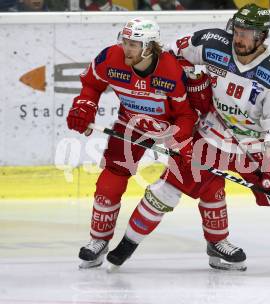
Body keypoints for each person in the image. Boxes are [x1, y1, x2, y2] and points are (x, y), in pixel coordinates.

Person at [108, 3, 270, 271]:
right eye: (237, 31)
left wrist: (269, 161)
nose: (239, 38)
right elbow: (169, 54)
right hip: (211, 133)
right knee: (167, 190)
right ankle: (127, 245)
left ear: (262, 37)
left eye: (247, 34)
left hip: (252, 145)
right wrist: (189, 77)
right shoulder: (212, 43)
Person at [66, 18, 198, 269]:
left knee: (191, 182)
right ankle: (98, 241)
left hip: (168, 127)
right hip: (131, 124)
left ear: (150, 47)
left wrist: (181, 140)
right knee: (109, 180)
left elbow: (186, 113)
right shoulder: (110, 57)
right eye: (125, 42)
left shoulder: (170, 70)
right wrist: (85, 106)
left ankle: (217, 241)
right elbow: (92, 85)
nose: (126, 49)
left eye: (134, 44)